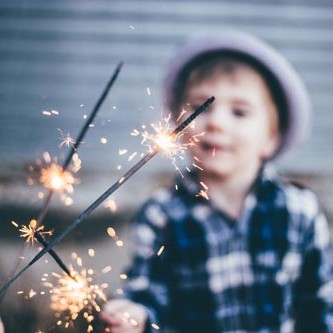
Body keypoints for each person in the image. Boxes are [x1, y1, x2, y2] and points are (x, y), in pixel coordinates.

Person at [100, 30, 333, 333]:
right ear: (179, 127)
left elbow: (319, 303)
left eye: (239, 112)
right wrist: (135, 314)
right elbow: (149, 292)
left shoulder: (300, 211)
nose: (217, 122)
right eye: (202, 107)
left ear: (271, 137)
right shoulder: (161, 214)